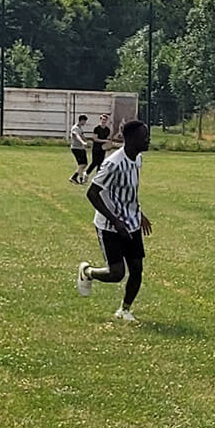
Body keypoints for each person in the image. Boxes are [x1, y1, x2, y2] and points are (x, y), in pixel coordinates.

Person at [76, 120, 152, 321]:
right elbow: (92, 193)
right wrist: (116, 221)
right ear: (132, 139)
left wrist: (139, 213)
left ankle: (124, 310)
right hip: (110, 226)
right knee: (116, 273)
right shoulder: (113, 164)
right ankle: (88, 272)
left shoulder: (138, 159)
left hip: (132, 223)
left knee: (137, 269)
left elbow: (129, 192)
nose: (148, 139)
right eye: (144, 136)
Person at [69, 114, 90, 184]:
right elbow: (77, 136)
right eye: (85, 121)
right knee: (82, 164)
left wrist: (87, 142)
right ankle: (73, 177)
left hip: (81, 148)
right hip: (76, 148)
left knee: (83, 164)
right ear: (82, 120)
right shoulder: (75, 128)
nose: (85, 123)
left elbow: (82, 136)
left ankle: (80, 179)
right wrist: (82, 142)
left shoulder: (80, 128)